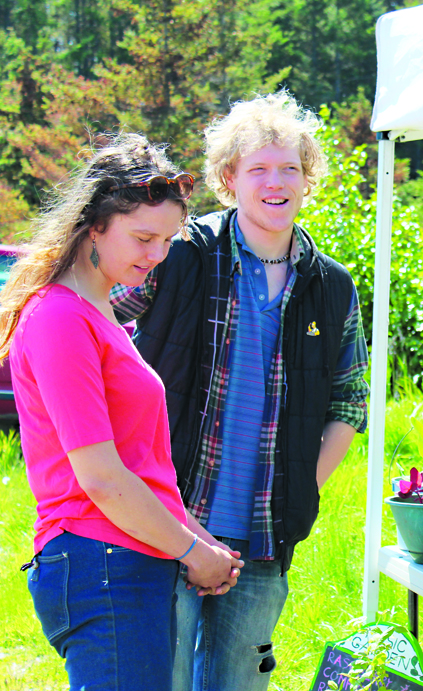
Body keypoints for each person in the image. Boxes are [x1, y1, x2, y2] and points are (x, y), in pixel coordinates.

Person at [111, 92, 370, 691]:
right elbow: (98, 320)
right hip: (165, 525)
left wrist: (302, 483)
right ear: (230, 178)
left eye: (290, 169)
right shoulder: (180, 256)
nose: (275, 183)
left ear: (308, 180)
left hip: (262, 538)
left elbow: (348, 402)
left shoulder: (332, 287)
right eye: (258, 168)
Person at [0, 134, 243, 691]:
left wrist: (201, 543)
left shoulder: (101, 310)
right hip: (99, 559)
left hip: (125, 556)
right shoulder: (61, 318)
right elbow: (103, 478)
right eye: (142, 237)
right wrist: (191, 550)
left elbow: (141, 467)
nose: (156, 254)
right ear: (94, 226)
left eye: (166, 240)